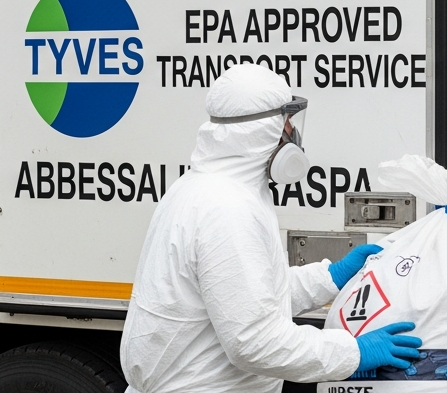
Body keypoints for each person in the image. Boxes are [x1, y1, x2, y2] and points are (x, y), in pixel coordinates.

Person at [120, 63, 423, 392]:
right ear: (263, 131)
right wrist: (353, 351)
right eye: (287, 123)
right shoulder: (225, 209)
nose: (293, 135)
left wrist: (330, 277)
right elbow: (254, 341)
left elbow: (249, 296)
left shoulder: (204, 188)